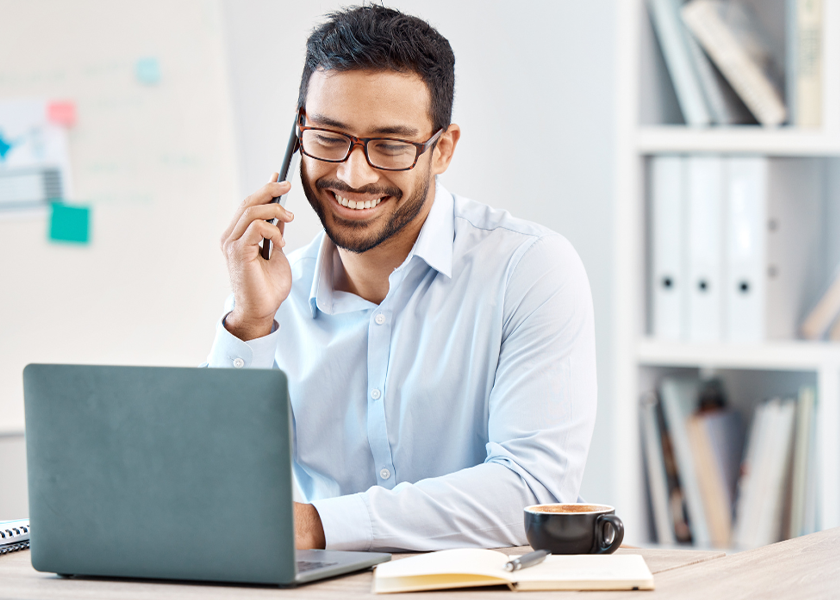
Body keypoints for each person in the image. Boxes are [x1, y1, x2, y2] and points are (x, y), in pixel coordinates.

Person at [207, 5, 597, 552]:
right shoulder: (273, 294)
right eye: (329, 137)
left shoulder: (529, 270)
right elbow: (209, 495)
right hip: (326, 588)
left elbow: (533, 493)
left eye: (390, 146)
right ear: (298, 135)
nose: (353, 174)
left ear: (442, 150)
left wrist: (316, 525)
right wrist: (248, 324)